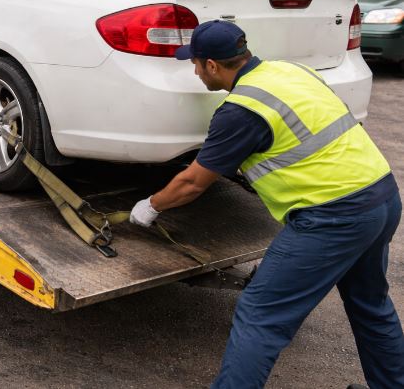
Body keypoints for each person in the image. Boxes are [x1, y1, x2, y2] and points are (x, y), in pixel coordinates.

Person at [129, 20, 404, 389]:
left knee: (260, 314)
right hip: (381, 196)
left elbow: (192, 184)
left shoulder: (241, 109)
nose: (195, 72)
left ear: (212, 65)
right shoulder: (291, 71)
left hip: (333, 218)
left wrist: (151, 206)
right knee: (370, 305)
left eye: (195, 64)